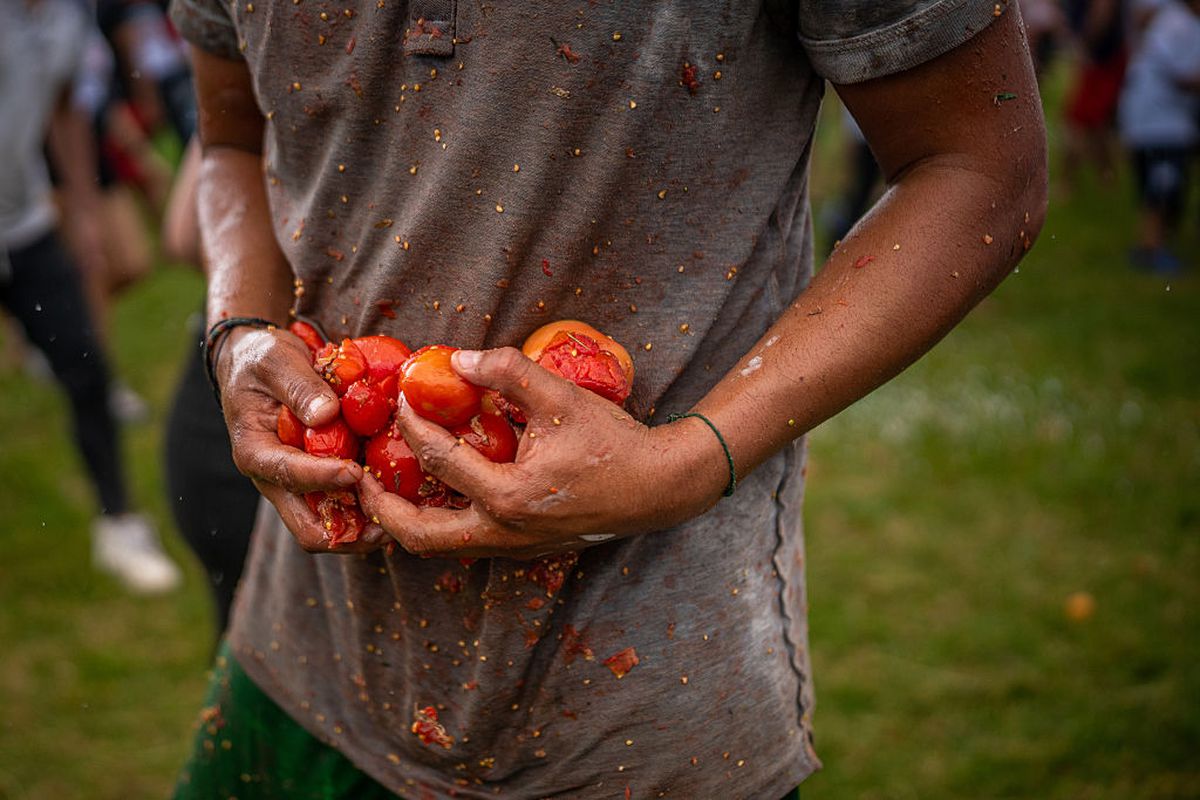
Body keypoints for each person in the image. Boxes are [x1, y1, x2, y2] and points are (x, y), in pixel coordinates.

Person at [169, 1, 1047, 797]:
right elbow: (233, 140)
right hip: (300, 666)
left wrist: (692, 458)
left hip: (641, 717)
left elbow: (980, 162)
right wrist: (238, 331)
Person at [1, 0, 182, 594]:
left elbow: (66, 107)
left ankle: (120, 524)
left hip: (26, 228)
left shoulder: (65, 15)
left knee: (87, 369)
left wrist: (80, 210)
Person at [1118, 0, 1200, 273]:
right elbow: (1183, 76)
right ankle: (1150, 248)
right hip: (1159, 123)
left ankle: (1157, 243)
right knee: (1161, 187)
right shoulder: (1176, 24)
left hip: (1162, 121)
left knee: (1164, 187)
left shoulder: (1176, 21)